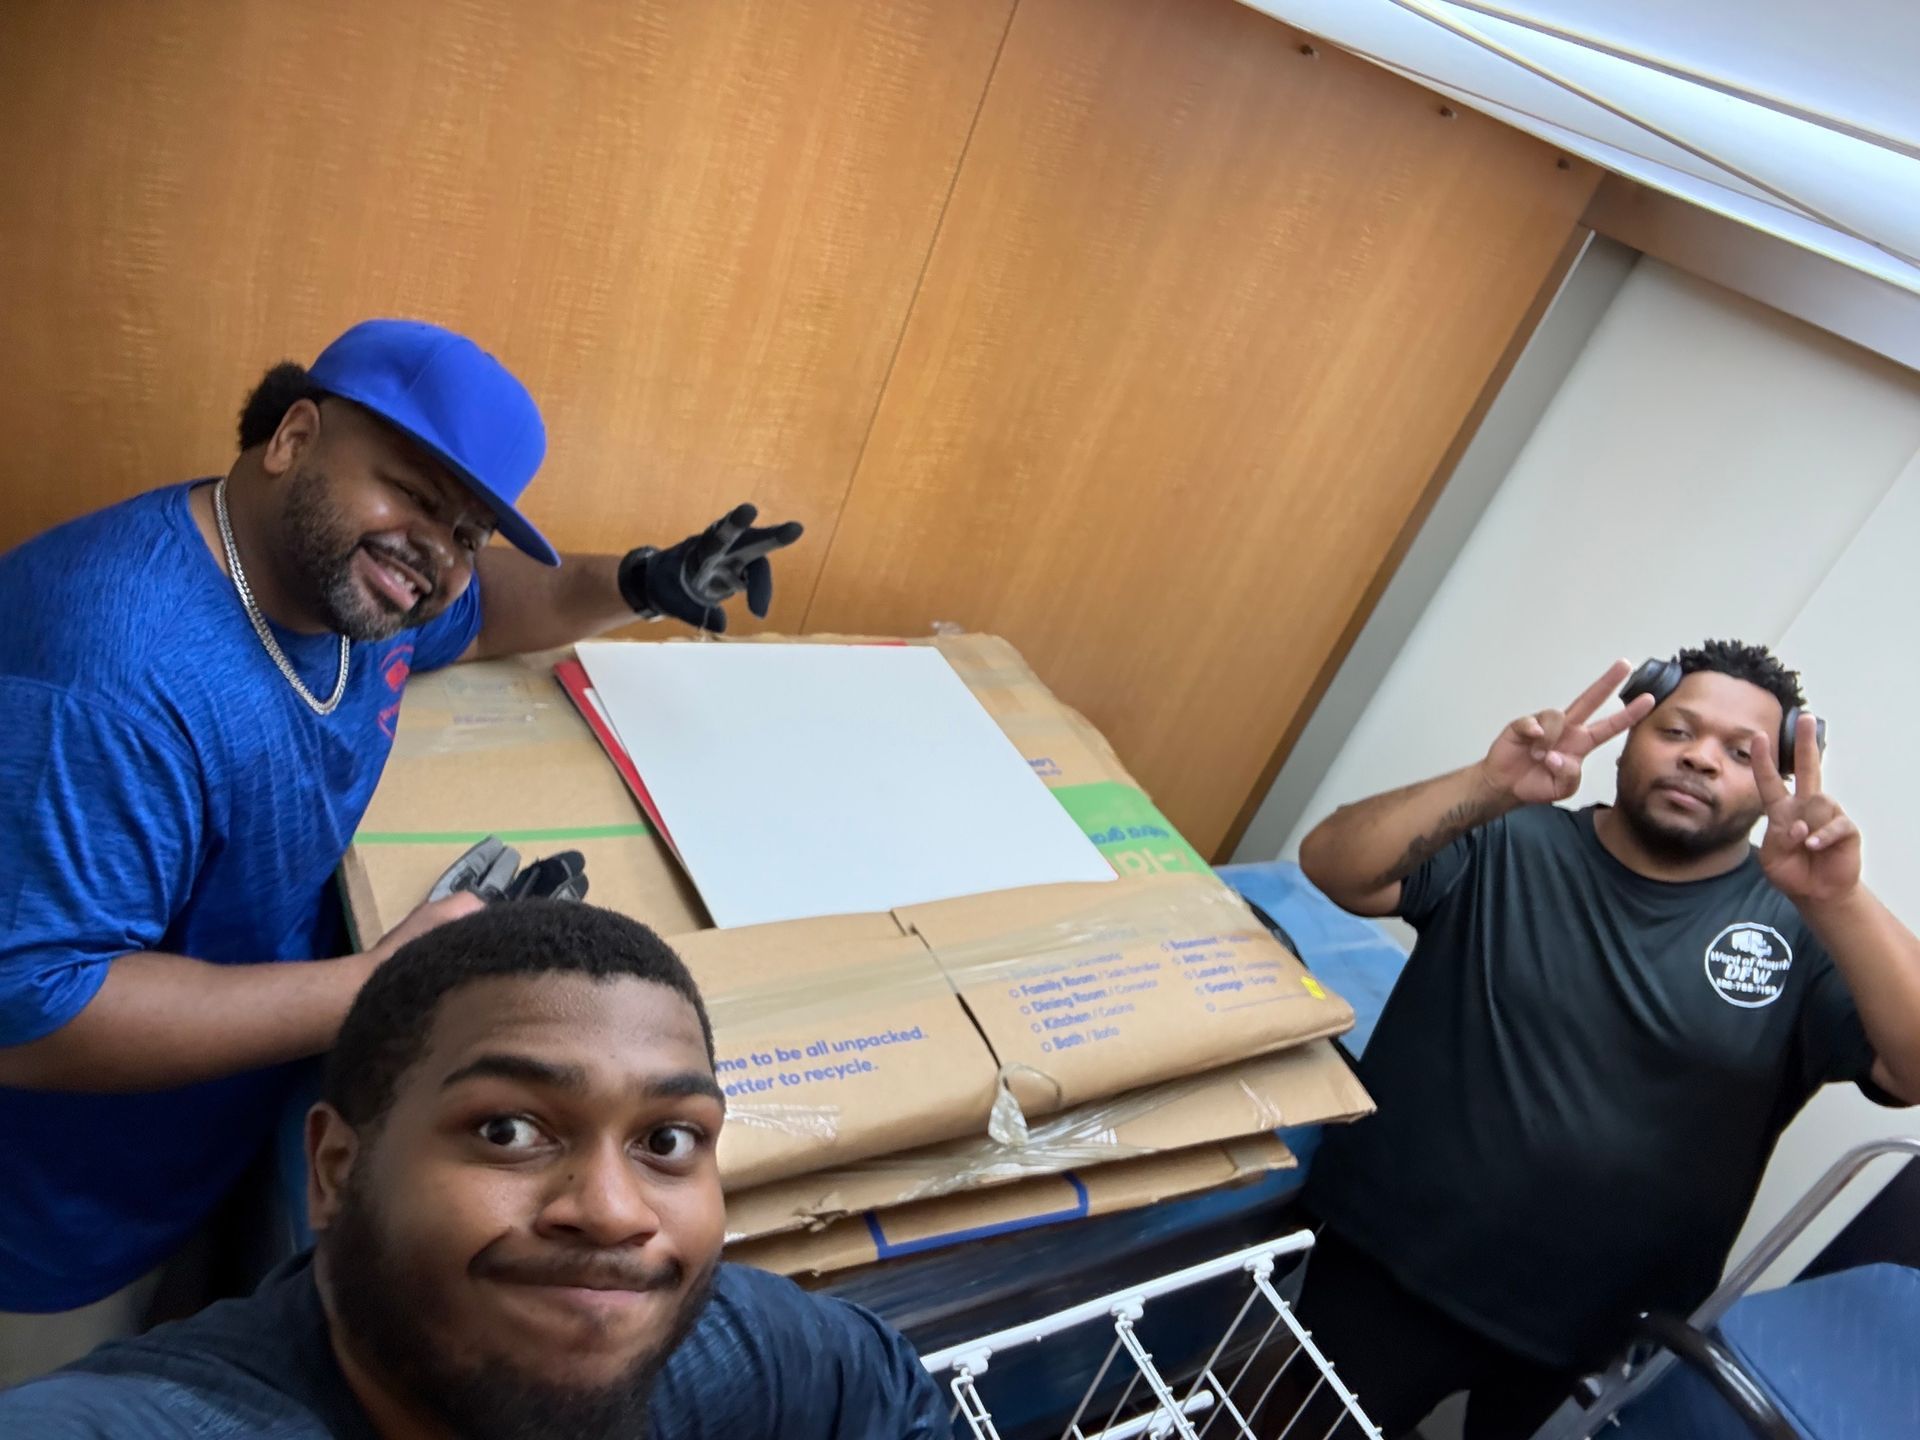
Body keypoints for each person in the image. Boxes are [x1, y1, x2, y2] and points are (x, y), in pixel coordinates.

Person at [0, 318, 804, 1365]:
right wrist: (378, 982)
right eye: (417, 496)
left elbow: (485, 612)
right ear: (293, 436)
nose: (438, 556)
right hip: (60, 1214)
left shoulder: (346, 580)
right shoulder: (107, 680)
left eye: (468, 532)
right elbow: (31, 1017)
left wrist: (640, 584)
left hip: (211, 1136)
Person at [0, 900, 950, 1438]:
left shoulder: (730, 1355)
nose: (615, 1213)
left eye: (666, 1142)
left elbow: (891, 1395)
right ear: (335, 1167)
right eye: (507, 1130)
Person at [1290, 642, 1920, 1440]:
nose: (1700, 760)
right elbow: (1333, 866)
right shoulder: (1511, 840)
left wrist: (1841, 900)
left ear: (1774, 787)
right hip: (1381, 1272)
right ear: (1631, 736)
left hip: (1594, 1335)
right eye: (1679, 731)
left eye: (1739, 752)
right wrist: (1486, 786)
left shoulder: (1803, 928)